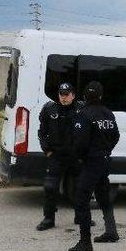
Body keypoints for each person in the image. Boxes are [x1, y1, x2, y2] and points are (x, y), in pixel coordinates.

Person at [69, 81, 120, 251]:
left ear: (85, 96)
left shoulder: (84, 114)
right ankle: (111, 231)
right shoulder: (108, 113)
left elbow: (80, 143)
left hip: (91, 162)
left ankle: (85, 242)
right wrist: (106, 150)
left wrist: (80, 158)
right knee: (103, 196)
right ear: (101, 95)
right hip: (104, 160)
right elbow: (116, 136)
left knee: (81, 199)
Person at [35, 83, 84, 231]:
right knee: (50, 187)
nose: (64, 97)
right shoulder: (49, 109)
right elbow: (42, 132)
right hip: (56, 155)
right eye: (61, 94)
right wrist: (47, 151)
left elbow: (88, 132)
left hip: (75, 156)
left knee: (79, 188)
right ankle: (49, 218)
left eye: (67, 94)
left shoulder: (81, 109)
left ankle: (80, 216)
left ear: (73, 95)